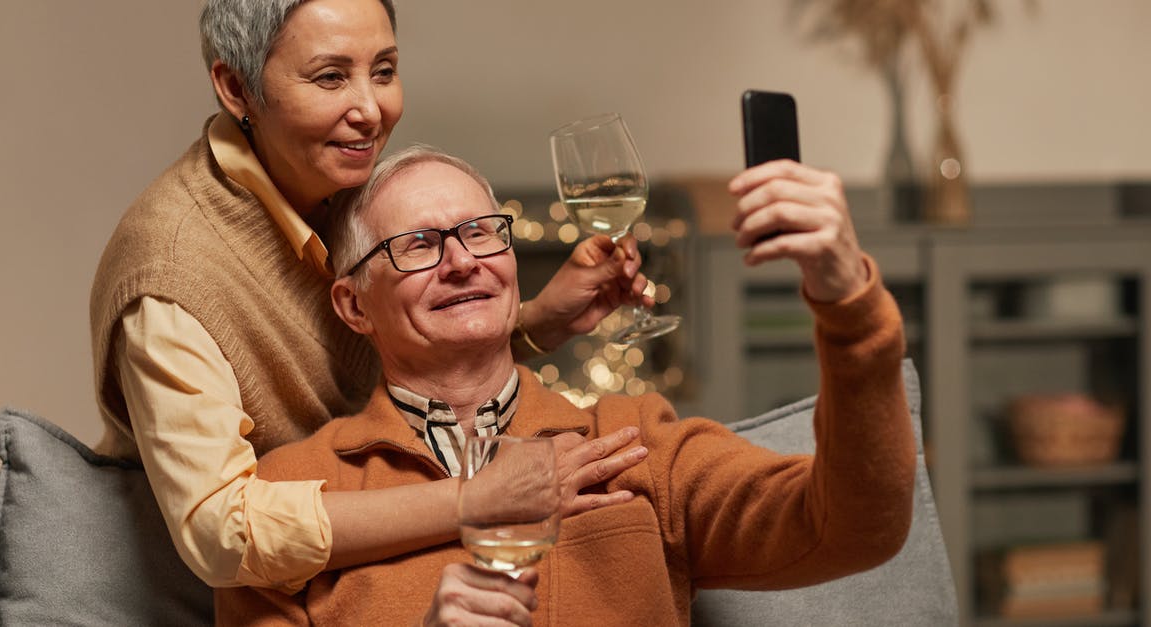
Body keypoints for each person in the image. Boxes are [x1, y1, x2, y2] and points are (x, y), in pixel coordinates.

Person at [213, 146, 918, 626]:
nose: (462, 262)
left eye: (482, 233)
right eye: (420, 245)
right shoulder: (292, 500)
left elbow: (855, 528)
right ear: (353, 305)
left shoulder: (631, 440)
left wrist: (845, 301)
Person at [88, 0, 650, 594]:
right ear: (236, 87)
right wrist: (477, 499)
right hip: (233, 596)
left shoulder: (329, 177)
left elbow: (383, 353)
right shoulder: (170, 270)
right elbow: (222, 533)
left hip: (384, 550)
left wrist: (535, 324)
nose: (370, 111)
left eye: (383, 71)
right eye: (330, 77)